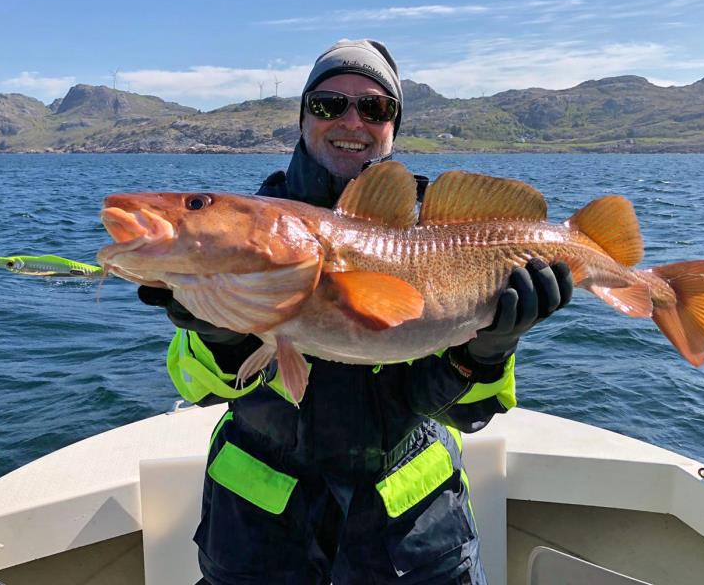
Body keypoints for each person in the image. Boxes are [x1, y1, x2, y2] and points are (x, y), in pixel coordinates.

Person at [138, 39, 573, 585]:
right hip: (259, 543)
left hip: (413, 543)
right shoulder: (238, 232)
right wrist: (223, 338)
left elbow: (468, 413)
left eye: (375, 108)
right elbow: (198, 384)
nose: (352, 120)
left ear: (393, 126)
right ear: (301, 119)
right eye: (327, 104)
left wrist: (486, 352)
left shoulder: (443, 242)